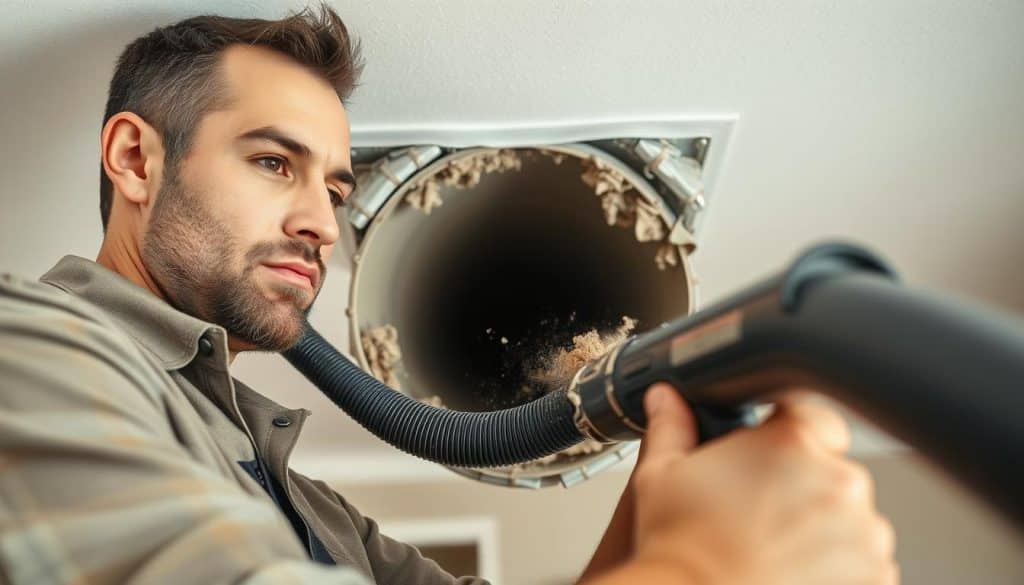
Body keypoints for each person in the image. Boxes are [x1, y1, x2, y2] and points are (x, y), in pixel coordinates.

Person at [0, 4, 897, 584]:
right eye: (275, 163)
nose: (320, 222)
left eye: (337, 191)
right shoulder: (24, 343)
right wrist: (706, 567)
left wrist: (674, 471)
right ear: (133, 158)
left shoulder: (305, 505)